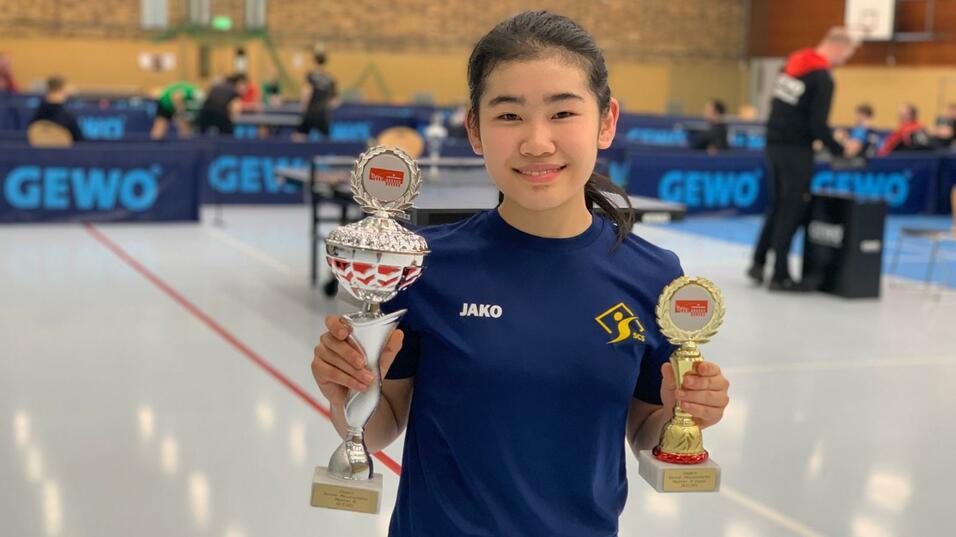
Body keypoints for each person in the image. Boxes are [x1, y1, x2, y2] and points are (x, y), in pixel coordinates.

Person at [310, 11, 731, 537]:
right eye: (509, 116)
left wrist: (681, 414)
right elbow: (379, 426)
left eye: (562, 113)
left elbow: (646, 430)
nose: (536, 141)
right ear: (475, 130)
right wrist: (345, 391)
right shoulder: (424, 266)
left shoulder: (654, 275)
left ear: (606, 122)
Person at [748, 27, 859, 292]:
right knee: (793, 209)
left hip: (773, 144)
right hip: (796, 150)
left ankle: (758, 262)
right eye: (849, 54)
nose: (846, 60)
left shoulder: (793, 63)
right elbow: (817, 125)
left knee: (778, 205)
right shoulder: (823, 78)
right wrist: (841, 149)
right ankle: (780, 275)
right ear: (839, 47)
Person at [293, 51, 337, 141]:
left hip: (311, 111)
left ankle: (298, 154)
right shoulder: (330, 78)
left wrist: (303, 106)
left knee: (299, 136)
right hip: (323, 113)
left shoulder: (310, 76)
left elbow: (307, 92)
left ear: (315, 62)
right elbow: (335, 101)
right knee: (326, 140)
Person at [29, 75, 83, 142]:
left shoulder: (37, 113)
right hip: (63, 152)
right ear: (63, 91)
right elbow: (79, 140)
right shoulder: (67, 116)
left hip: (39, 152)